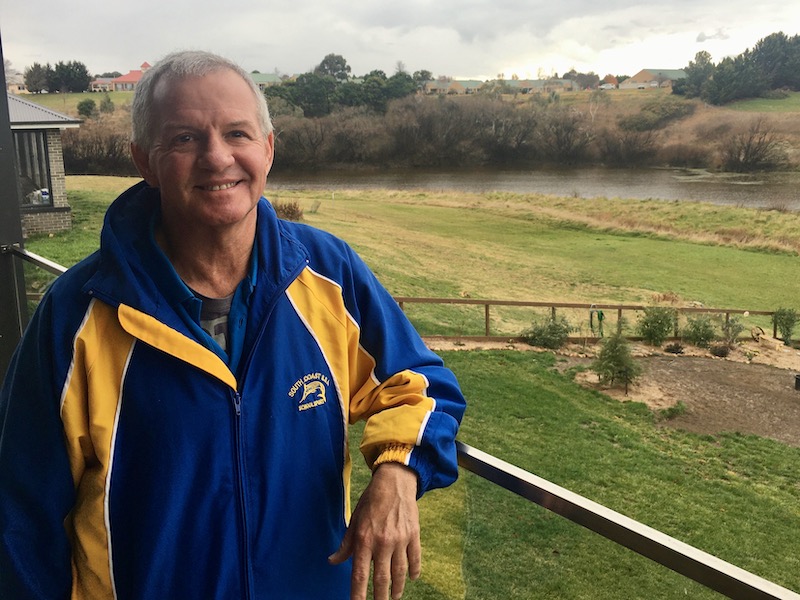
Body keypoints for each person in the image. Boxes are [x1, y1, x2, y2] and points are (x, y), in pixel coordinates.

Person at [0, 50, 466, 600]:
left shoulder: (329, 273)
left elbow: (423, 386)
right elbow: (20, 520)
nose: (217, 158)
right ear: (143, 161)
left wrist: (398, 473)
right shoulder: (77, 313)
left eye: (238, 133)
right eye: (184, 139)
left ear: (268, 149)